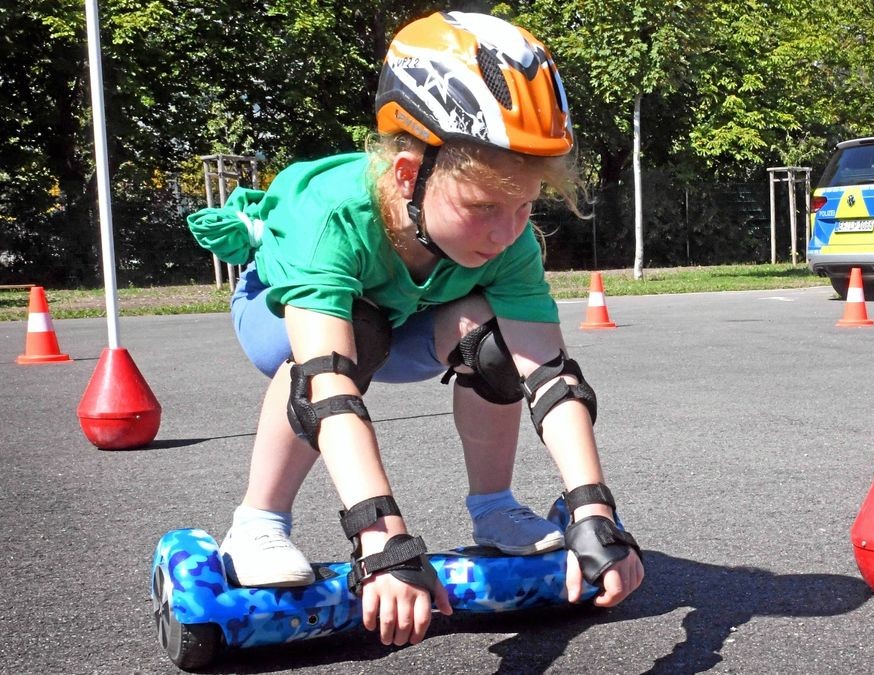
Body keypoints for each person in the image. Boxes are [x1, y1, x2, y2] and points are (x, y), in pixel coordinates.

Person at [187, 11, 643, 647]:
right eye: (484, 207)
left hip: (411, 317)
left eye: (524, 205)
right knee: (352, 341)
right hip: (284, 318)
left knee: (497, 349)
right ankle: (259, 521)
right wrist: (383, 539)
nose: (507, 231)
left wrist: (595, 510)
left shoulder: (506, 236)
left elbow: (550, 375)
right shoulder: (329, 214)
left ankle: (494, 508)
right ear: (409, 175)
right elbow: (329, 385)